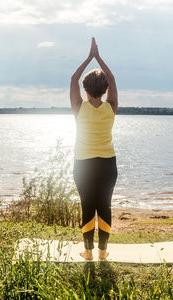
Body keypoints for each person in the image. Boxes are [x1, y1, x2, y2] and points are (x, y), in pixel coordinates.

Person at [70, 37, 118, 260]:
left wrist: (89, 57)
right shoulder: (111, 107)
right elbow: (112, 77)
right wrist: (99, 57)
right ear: (105, 89)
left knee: (87, 205)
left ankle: (88, 252)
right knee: (104, 206)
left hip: (83, 164)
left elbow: (73, 79)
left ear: (85, 89)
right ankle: (103, 252)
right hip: (107, 163)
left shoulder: (80, 108)